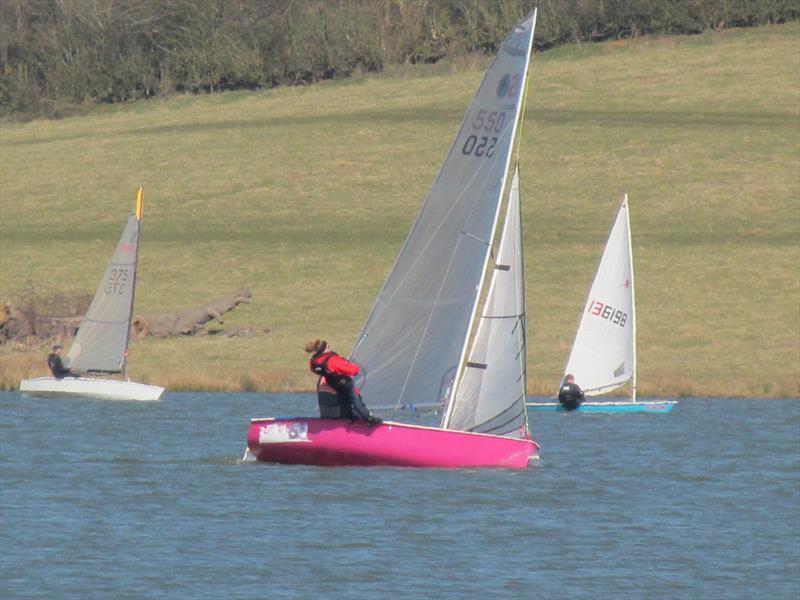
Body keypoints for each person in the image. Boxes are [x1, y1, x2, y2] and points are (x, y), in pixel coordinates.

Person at [305, 339, 381, 426]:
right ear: (324, 349)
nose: (329, 348)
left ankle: (349, 418)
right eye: (328, 347)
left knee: (343, 399)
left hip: (332, 383)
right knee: (355, 400)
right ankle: (369, 419)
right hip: (344, 382)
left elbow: (314, 370)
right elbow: (353, 370)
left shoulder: (313, 361)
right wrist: (353, 368)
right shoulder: (332, 359)